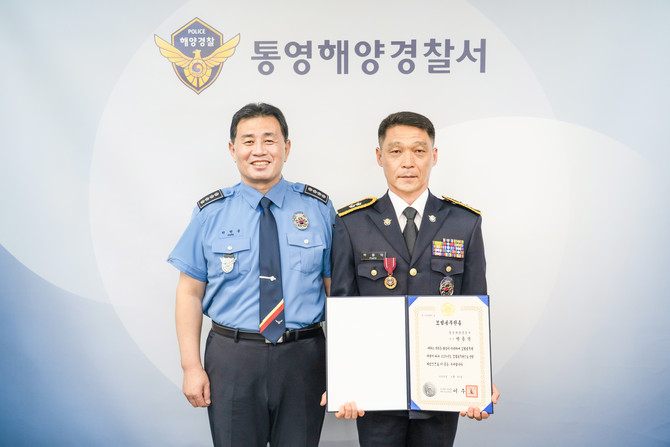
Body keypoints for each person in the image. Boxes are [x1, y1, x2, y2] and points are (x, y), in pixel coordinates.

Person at [326, 111, 500, 446]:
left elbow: (474, 308)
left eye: (419, 151)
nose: (408, 162)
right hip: (375, 392)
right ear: (380, 157)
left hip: (441, 392)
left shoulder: (464, 223)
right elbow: (343, 307)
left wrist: (479, 378)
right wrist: (343, 381)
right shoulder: (352, 223)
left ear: (433, 156)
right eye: (396, 151)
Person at [168, 103, 335, 447]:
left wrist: (346, 367)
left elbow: (337, 291)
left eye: (269, 140)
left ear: (287, 147)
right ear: (233, 150)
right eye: (248, 141)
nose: (259, 150)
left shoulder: (318, 209)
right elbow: (189, 293)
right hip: (233, 358)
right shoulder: (210, 213)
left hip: (304, 358)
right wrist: (190, 367)